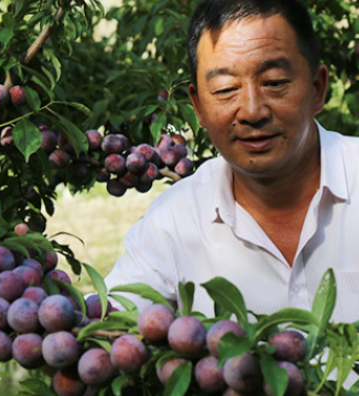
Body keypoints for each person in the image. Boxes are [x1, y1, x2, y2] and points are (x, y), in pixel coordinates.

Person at [105, 0, 359, 323]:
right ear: (198, 107)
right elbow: (109, 324)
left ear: (317, 89)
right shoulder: (175, 223)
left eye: (275, 83)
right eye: (225, 89)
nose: (252, 111)